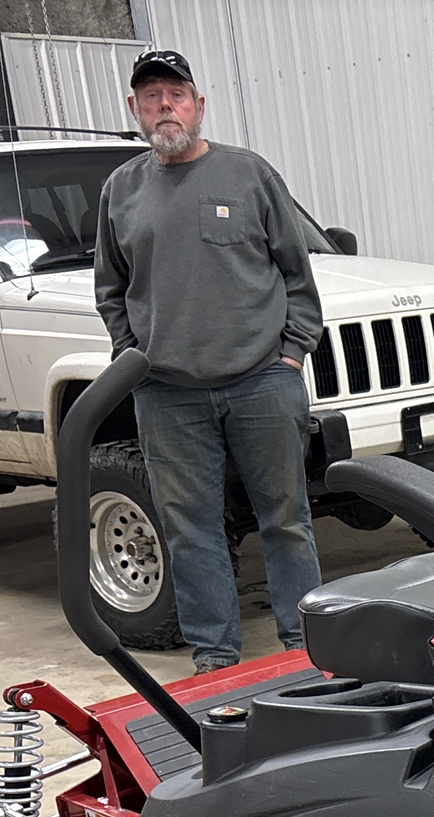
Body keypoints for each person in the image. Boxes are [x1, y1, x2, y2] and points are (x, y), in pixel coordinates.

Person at [94, 48, 324, 673]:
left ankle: (307, 651)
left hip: (262, 383)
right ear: (135, 111)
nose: (164, 106)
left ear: (199, 104)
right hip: (166, 395)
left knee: (287, 521)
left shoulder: (249, 174)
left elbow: (297, 275)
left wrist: (293, 354)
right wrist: (131, 357)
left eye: (175, 94)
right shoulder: (121, 190)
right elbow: (110, 290)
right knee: (190, 532)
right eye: (150, 97)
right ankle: (215, 660)